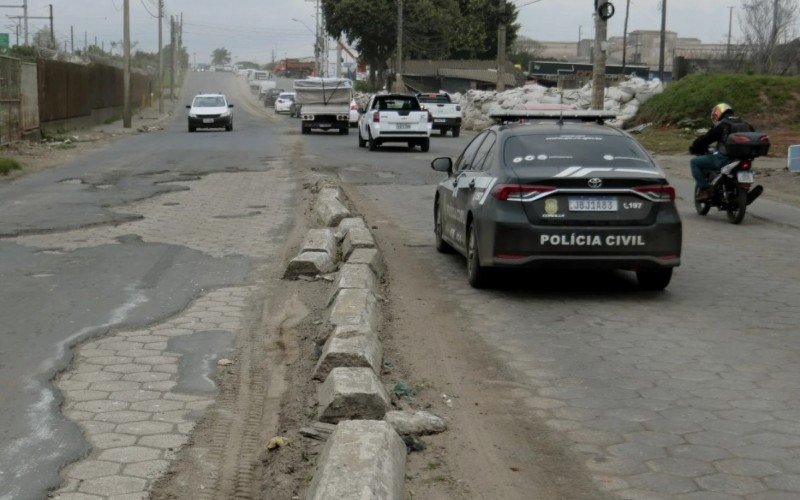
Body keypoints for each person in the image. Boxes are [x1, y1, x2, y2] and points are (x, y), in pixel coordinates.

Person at [689, 103, 754, 200]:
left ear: (717, 114)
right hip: (745, 159)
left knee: (694, 162)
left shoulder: (723, 125)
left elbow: (706, 139)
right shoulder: (746, 124)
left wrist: (694, 148)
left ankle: (705, 189)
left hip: (724, 159)